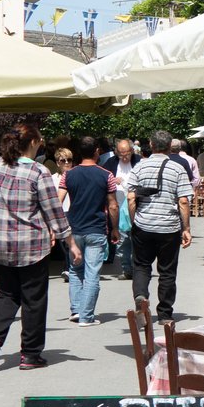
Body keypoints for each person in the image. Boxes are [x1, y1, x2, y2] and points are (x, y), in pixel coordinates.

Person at [0, 125, 81, 370]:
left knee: (6, 293)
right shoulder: (38, 171)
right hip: (30, 244)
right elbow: (54, 211)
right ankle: (30, 354)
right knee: (34, 299)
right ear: (33, 142)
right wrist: (71, 242)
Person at [129, 130, 193, 322]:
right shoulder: (177, 169)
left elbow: (131, 198)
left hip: (143, 225)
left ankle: (141, 295)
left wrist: (134, 221)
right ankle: (165, 314)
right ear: (169, 147)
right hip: (169, 227)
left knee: (141, 265)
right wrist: (186, 229)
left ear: (151, 144)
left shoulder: (139, 167)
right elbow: (183, 201)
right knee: (167, 271)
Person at [57, 137, 119, 327]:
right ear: (97, 152)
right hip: (96, 229)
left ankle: (76, 310)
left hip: (74, 228)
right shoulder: (106, 175)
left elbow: (58, 202)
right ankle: (86, 316)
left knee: (75, 270)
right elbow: (113, 205)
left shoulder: (68, 175)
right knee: (92, 273)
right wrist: (115, 228)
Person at [102, 138, 140, 278]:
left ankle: (138, 268)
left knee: (136, 239)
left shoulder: (139, 162)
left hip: (136, 207)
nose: (124, 157)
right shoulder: (110, 163)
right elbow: (103, 180)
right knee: (122, 240)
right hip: (117, 207)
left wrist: (125, 183)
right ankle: (126, 269)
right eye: (121, 154)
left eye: (127, 154)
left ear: (132, 151)